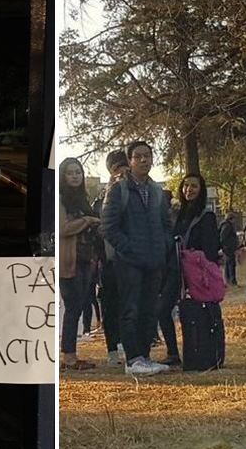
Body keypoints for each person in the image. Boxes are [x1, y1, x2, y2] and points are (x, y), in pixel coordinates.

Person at [102, 141, 173, 376]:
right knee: (130, 309)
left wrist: (163, 247)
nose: (144, 160)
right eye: (138, 156)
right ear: (130, 161)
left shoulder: (157, 191)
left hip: (154, 261)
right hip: (129, 262)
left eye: (147, 156)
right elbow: (108, 227)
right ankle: (133, 359)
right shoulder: (119, 190)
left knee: (149, 310)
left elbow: (165, 224)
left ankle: (145, 356)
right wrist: (129, 248)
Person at [162, 173, 220, 365]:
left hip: (195, 274)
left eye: (194, 186)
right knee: (162, 310)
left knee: (196, 313)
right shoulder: (178, 214)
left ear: (201, 189)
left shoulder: (206, 216)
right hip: (176, 271)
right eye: (186, 185)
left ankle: (198, 352)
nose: (189, 189)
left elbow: (210, 249)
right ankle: (173, 352)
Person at [58, 157, 100, 370]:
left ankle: (71, 354)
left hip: (86, 259)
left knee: (80, 305)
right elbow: (63, 228)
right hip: (69, 260)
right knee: (73, 307)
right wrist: (88, 221)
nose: (75, 176)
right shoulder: (61, 199)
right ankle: (68, 356)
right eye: (70, 172)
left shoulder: (82, 198)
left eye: (78, 172)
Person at [95, 149, 130, 366]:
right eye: (118, 169)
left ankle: (128, 346)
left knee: (130, 305)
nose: (123, 173)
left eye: (125, 168)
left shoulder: (135, 194)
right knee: (110, 306)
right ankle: (112, 349)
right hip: (109, 262)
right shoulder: (101, 201)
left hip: (130, 260)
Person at [219, 212, 240, 286]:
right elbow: (223, 237)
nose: (235, 221)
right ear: (231, 219)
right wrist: (227, 246)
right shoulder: (227, 226)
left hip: (227, 248)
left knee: (228, 264)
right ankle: (232, 281)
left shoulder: (226, 225)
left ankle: (229, 280)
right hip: (228, 248)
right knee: (231, 264)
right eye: (234, 219)